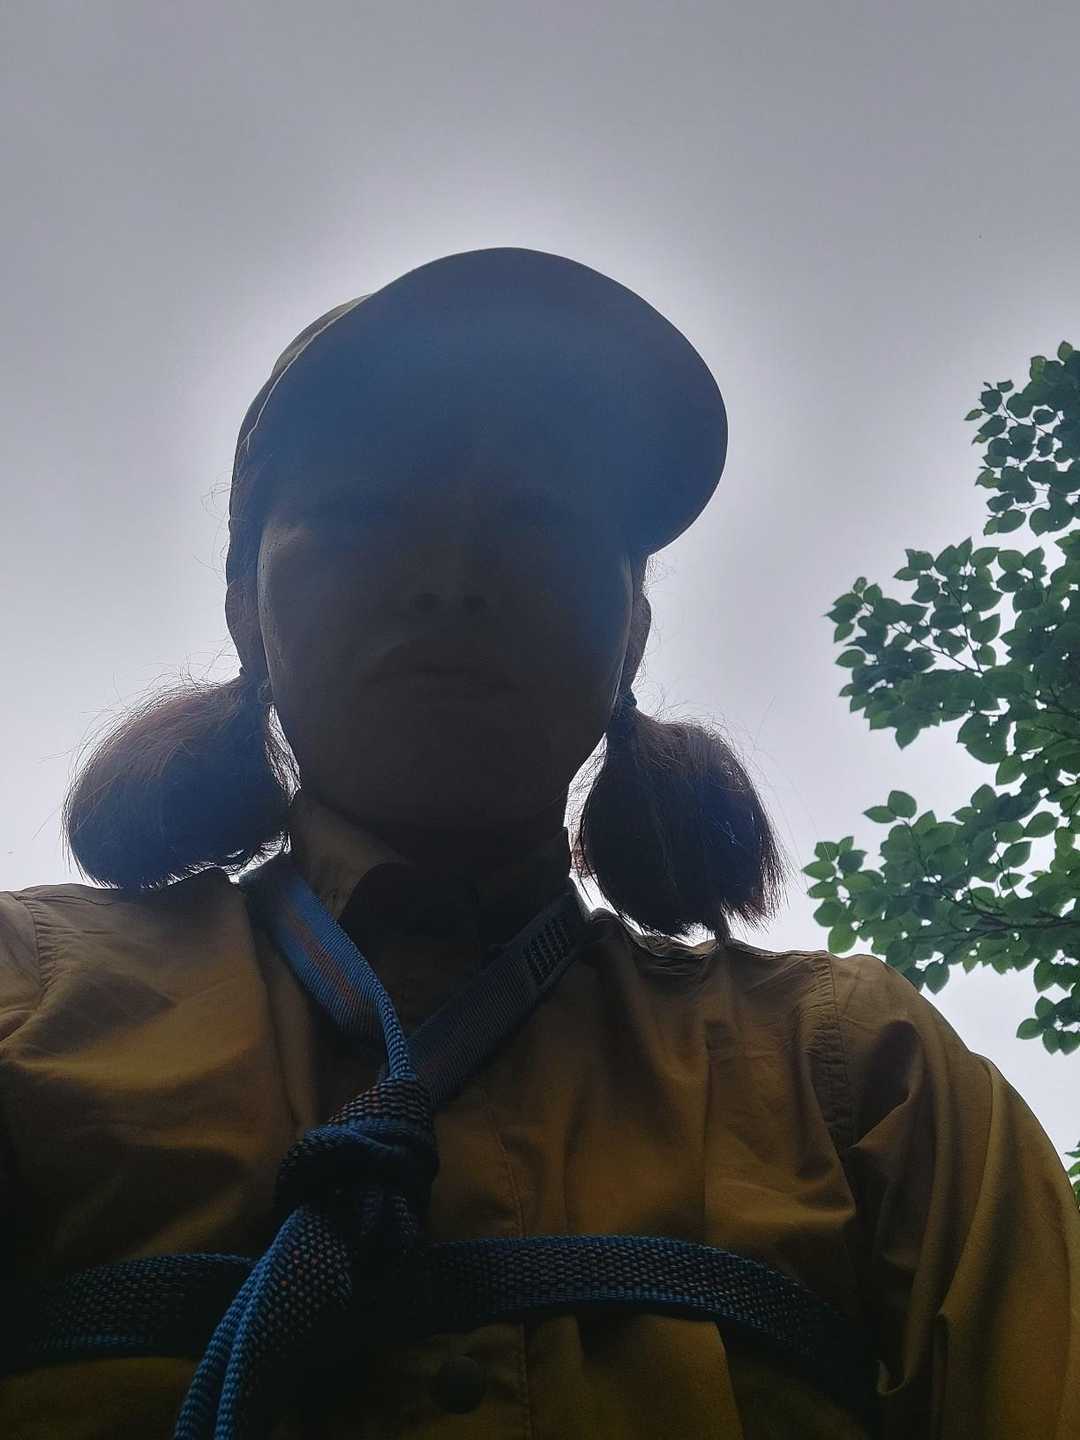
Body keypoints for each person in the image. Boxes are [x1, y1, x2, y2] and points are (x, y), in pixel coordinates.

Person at [0, 247, 1076, 1440]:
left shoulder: (867, 1080)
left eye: (541, 522)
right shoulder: (21, 998)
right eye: (365, 511)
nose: (454, 578)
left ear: (632, 635)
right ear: (244, 605)